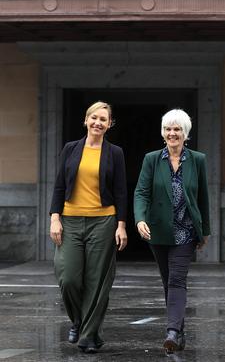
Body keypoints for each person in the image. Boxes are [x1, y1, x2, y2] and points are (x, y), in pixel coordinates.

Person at [49, 101, 128, 353]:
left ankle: (88, 336)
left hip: (103, 221)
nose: (98, 123)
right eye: (94, 118)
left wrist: (121, 225)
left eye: (103, 119)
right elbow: (59, 185)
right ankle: (79, 320)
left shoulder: (115, 153)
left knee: (97, 281)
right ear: (85, 120)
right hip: (70, 220)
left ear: (109, 124)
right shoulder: (70, 149)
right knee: (68, 277)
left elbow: (121, 191)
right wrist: (54, 217)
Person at [134, 109, 211, 354]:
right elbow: (141, 192)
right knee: (168, 282)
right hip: (158, 230)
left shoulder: (197, 160)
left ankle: (172, 332)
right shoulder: (152, 159)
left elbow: (203, 197)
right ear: (163, 133)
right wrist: (139, 219)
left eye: (177, 129)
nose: (172, 133)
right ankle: (179, 329)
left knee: (177, 279)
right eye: (168, 129)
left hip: (185, 231)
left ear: (185, 133)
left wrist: (205, 231)